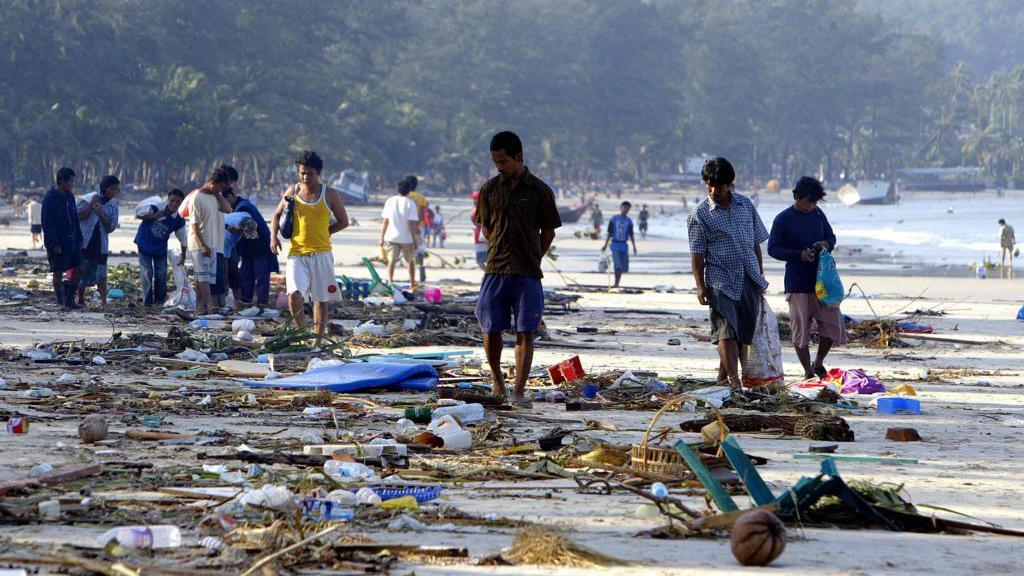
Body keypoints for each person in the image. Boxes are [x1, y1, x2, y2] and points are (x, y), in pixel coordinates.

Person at [474, 131, 561, 407]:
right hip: (496, 269)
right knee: (491, 327)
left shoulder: (540, 190)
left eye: (504, 161)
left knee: (526, 331)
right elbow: (486, 227)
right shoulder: (489, 189)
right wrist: (499, 248)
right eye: (495, 161)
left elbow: (548, 232)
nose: (499, 166)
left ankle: (520, 390)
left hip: (527, 272)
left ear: (519, 157)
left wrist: (533, 256)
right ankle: (498, 380)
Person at [688, 157, 768, 392]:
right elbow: (697, 255)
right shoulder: (699, 214)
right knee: (726, 329)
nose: (714, 191)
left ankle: (722, 380)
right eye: (709, 186)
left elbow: (755, 244)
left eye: (719, 187)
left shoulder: (746, 206)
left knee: (743, 333)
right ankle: (735, 381)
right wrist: (700, 286)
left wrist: (760, 276)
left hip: (749, 277)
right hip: (719, 280)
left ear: (729, 185)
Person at [767, 177, 847, 379]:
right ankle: (807, 371)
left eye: (815, 202)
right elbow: (773, 249)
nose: (811, 206)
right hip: (797, 283)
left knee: (832, 325)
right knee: (800, 331)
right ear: (797, 197)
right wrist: (798, 255)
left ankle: (818, 362)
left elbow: (831, 237)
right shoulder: (783, 219)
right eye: (808, 201)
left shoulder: (818, 214)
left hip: (822, 282)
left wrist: (826, 244)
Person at [270, 150, 350, 342]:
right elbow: (276, 215)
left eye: (310, 173)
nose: (305, 177)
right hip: (297, 253)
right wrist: (273, 237)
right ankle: (302, 332)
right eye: (302, 172)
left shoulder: (329, 194)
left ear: (318, 173)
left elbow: (343, 221)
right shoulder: (293, 191)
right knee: (294, 295)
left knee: (320, 300)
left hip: (322, 254)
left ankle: (317, 340)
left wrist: (325, 232)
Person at [187, 167, 233, 315]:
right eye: (220, 186)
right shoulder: (197, 198)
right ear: (213, 182)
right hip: (199, 243)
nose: (221, 190)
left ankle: (200, 307)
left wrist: (218, 194)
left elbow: (228, 209)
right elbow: (194, 224)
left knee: (204, 278)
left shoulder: (214, 197)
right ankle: (209, 305)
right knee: (203, 277)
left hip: (213, 243)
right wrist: (202, 245)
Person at [224, 187, 278, 306]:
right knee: (247, 275)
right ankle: (247, 300)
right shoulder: (242, 205)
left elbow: (251, 231)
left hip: (259, 246)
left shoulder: (243, 207)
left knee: (260, 275)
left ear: (229, 197)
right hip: (247, 248)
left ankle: (261, 302)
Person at [135, 188, 187, 306]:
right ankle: (147, 302)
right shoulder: (156, 206)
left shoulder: (179, 219)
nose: (174, 204)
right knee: (147, 272)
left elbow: (183, 239)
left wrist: (183, 257)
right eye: (172, 200)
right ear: (168, 200)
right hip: (144, 243)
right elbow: (138, 216)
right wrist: (155, 216)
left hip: (160, 248)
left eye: (178, 202)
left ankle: (159, 300)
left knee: (161, 273)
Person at [42, 167, 84, 309]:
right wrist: (53, 244)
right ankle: (60, 303)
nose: (72, 184)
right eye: (71, 181)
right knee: (58, 272)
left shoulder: (70, 197)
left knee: (79, 269)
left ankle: (70, 300)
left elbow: (75, 219)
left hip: (73, 241)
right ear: (61, 181)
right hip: (58, 242)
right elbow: (48, 224)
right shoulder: (49, 199)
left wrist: (80, 237)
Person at [76, 175, 120, 307]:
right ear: (104, 188)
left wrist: (101, 212)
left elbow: (111, 226)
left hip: (100, 244)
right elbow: (78, 215)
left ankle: (104, 302)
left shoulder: (113, 205)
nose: (113, 193)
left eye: (116, 190)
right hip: (85, 241)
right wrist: (91, 205)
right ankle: (81, 299)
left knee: (101, 273)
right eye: (112, 189)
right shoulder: (88, 198)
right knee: (81, 270)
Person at [379, 177, 420, 287]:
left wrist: (381, 238)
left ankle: (390, 282)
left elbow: (385, 221)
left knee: (392, 260)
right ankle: (412, 283)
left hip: (391, 236)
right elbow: (412, 224)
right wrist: (415, 240)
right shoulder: (410, 203)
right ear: (409, 190)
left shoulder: (390, 201)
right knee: (410, 261)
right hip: (406, 238)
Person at [211, 166, 240, 309]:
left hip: (223, 240)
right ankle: (215, 303)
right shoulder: (211, 196)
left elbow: (227, 211)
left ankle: (223, 302)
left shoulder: (220, 196)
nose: (230, 186)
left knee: (225, 273)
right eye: (229, 183)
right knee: (217, 274)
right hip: (214, 241)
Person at [601, 201, 638, 288]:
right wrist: (605, 245)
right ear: (621, 208)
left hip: (624, 245)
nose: (626, 209)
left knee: (623, 267)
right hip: (615, 244)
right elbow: (610, 233)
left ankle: (617, 282)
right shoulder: (614, 219)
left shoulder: (629, 221)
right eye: (624, 207)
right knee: (617, 264)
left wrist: (634, 246)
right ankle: (616, 283)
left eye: (628, 208)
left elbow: (631, 234)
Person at [405, 176, 428, 282]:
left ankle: (410, 274)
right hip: (419, 226)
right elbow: (423, 214)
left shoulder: (404, 197)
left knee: (409, 251)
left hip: (406, 227)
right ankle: (421, 269)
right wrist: (419, 225)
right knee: (419, 250)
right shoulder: (421, 198)